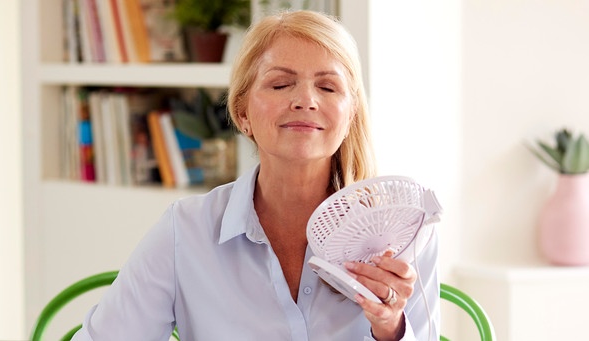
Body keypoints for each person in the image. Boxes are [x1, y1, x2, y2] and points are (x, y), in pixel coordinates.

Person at [72, 10, 439, 341]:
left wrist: (391, 328)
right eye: (281, 85)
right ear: (243, 112)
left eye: (327, 87)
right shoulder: (185, 232)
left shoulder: (402, 232)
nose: (306, 100)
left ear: (350, 115)